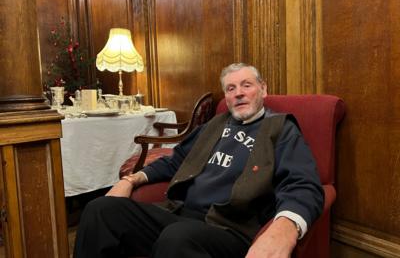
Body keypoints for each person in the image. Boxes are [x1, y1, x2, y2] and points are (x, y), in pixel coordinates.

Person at [73, 63, 324, 258]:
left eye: (246, 85)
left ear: (263, 89)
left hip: (229, 228)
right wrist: (131, 179)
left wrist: (287, 227)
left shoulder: (280, 128)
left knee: (177, 237)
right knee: (100, 210)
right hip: (179, 213)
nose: (238, 94)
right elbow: (176, 160)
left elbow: (303, 183)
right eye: (231, 88)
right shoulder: (215, 125)